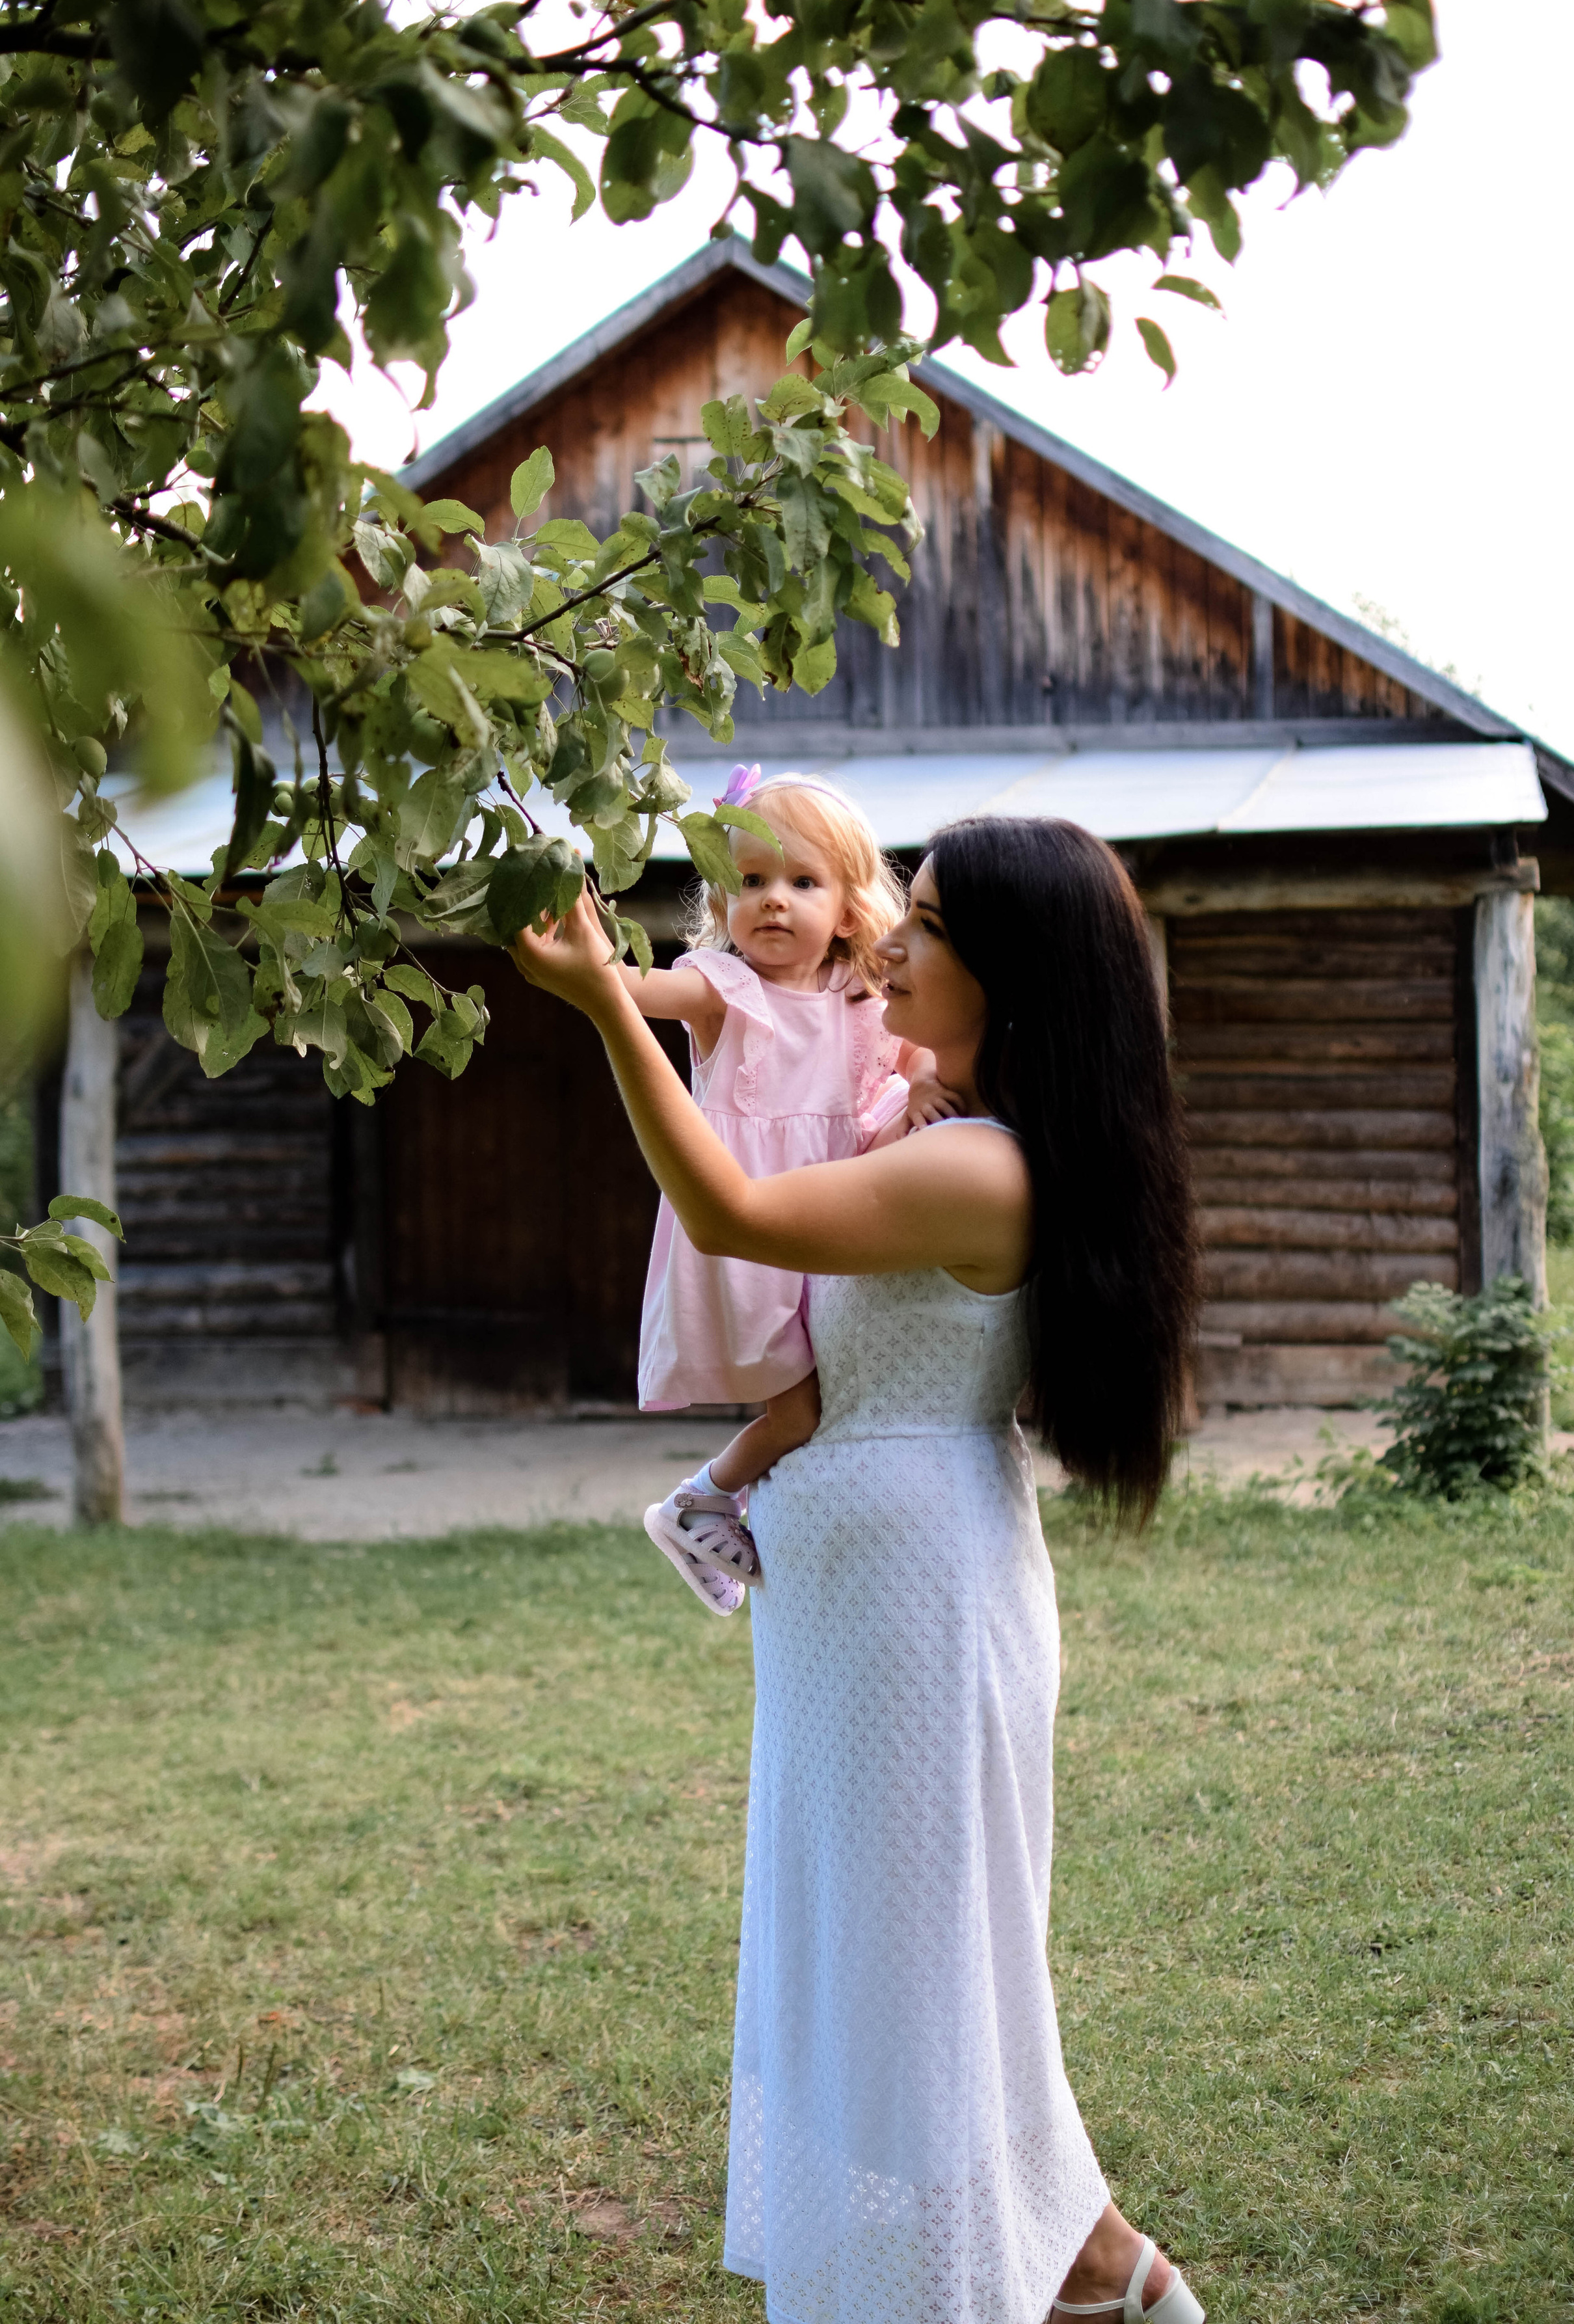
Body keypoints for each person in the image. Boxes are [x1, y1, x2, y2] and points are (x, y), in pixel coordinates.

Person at [515, 815, 1206, 2324]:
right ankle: (1098, 2269)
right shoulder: (933, 1120)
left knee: (921, 1986)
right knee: (887, 1978)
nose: (886, 939)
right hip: (860, 1609)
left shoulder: (981, 1169)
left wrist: (599, 1012)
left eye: (931, 926)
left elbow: (734, 1213)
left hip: (918, 1607)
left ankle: (1069, 2270)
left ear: (1010, 978)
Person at [626, 768, 953, 1615]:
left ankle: (753, 1509)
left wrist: (918, 1089)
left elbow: (918, 1062)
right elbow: (633, 991)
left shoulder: (863, 999)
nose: (774, 901)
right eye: (752, 881)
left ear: (848, 908)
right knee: (801, 1407)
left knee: (840, 1393)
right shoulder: (721, 989)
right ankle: (699, 1501)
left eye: (802, 882)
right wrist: (584, 949)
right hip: (757, 1229)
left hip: (840, 1217)